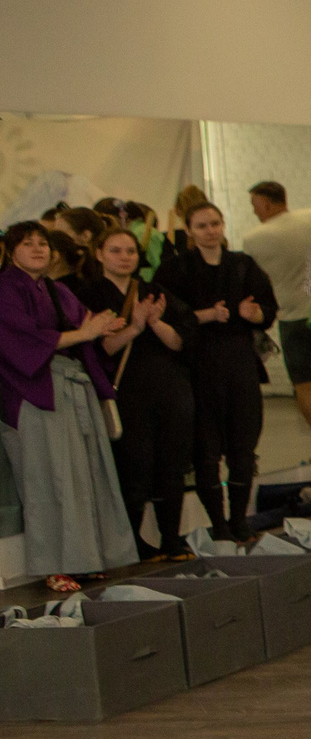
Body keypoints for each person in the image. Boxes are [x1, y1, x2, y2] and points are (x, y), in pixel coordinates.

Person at [0, 219, 138, 589]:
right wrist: (84, 333)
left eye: (43, 243)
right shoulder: (6, 290)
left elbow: (88, 334)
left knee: (86, 474)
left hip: (73, 387)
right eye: (28, 243)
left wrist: (120, 328)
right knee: (47, 479)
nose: (38, 249)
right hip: (35, 392)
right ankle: (53, 565)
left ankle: (87, 557)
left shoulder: (57, 290)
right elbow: (19, 342)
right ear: (11, 251)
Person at [157, 200, 275, 544]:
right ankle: (218, 523)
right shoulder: (175, 269)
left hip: (240, 364)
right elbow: (166, 316)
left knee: (243, 447)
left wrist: (253, 314)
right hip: (198, 367)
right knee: (206, 452)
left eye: (215, 224)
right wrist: (205, 315)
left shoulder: (243, 265)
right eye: (202, 226)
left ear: (224, 225)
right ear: (190, 231)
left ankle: (239, 519)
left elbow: (268, 309)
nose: (210, 231)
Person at [75, 226, 195, 559]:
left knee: (172, 465)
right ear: (99, 254)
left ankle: (171, 537)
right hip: (127, 392)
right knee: (134, 469)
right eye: (115, 250)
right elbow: (104, 349)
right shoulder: (91, 296)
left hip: (169, 387)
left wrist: (155, 323)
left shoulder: (154, 290)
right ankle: (133, 543)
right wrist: (136, 327)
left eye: (130, 251)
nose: (125, 257)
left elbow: (179, 342)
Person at [241, 181, 311, 461]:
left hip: (293, 316)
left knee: (302, 384)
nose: (255, 211)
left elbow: (252, 281)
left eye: (255, 205)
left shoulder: (254, 239)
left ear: (267, 203)